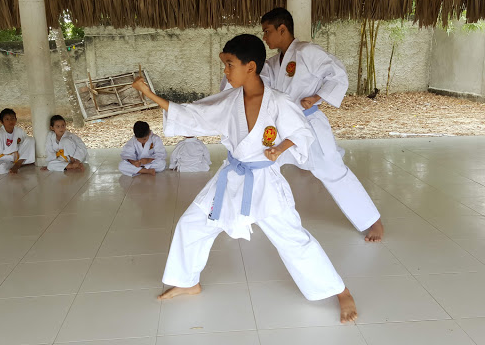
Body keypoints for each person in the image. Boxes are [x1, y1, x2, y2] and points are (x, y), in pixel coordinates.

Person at [132, 34, 358, 323]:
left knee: (293, 239)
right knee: (192, 224)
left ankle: (340, 291)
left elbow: (301, 133)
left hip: (264, 182)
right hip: (231, 177)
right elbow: (194, 114)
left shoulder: (278, 101)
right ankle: (187, 280)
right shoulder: (230, 99)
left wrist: (281, 148)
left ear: (250, 67)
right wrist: (149, 93)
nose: (225, 72)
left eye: (229, 65)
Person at [259, 7, 383, 242]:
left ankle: (372, 221)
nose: (264, 37)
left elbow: (337, 75)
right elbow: (259, 84)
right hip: (282, 127)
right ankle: (259, 215)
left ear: (282, 29)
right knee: (262, 163)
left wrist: (317, 97)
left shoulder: (307, 52)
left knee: (332, 171)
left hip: (309, 123)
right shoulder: (273, 63)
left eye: (267, 31)